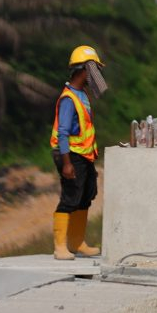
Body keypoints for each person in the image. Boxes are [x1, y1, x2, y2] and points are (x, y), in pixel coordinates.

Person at [50, 45, 107, 260]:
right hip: (70, 155)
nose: (97, 76)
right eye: (94, 71)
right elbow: (63, 132)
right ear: (84, 71)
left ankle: (76, 243)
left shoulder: (81, 95)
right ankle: (60, 247)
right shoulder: (68, 99)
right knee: (70, 197)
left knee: (86, 195)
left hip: (83, 154)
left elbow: (84, 128)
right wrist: (66, 163)